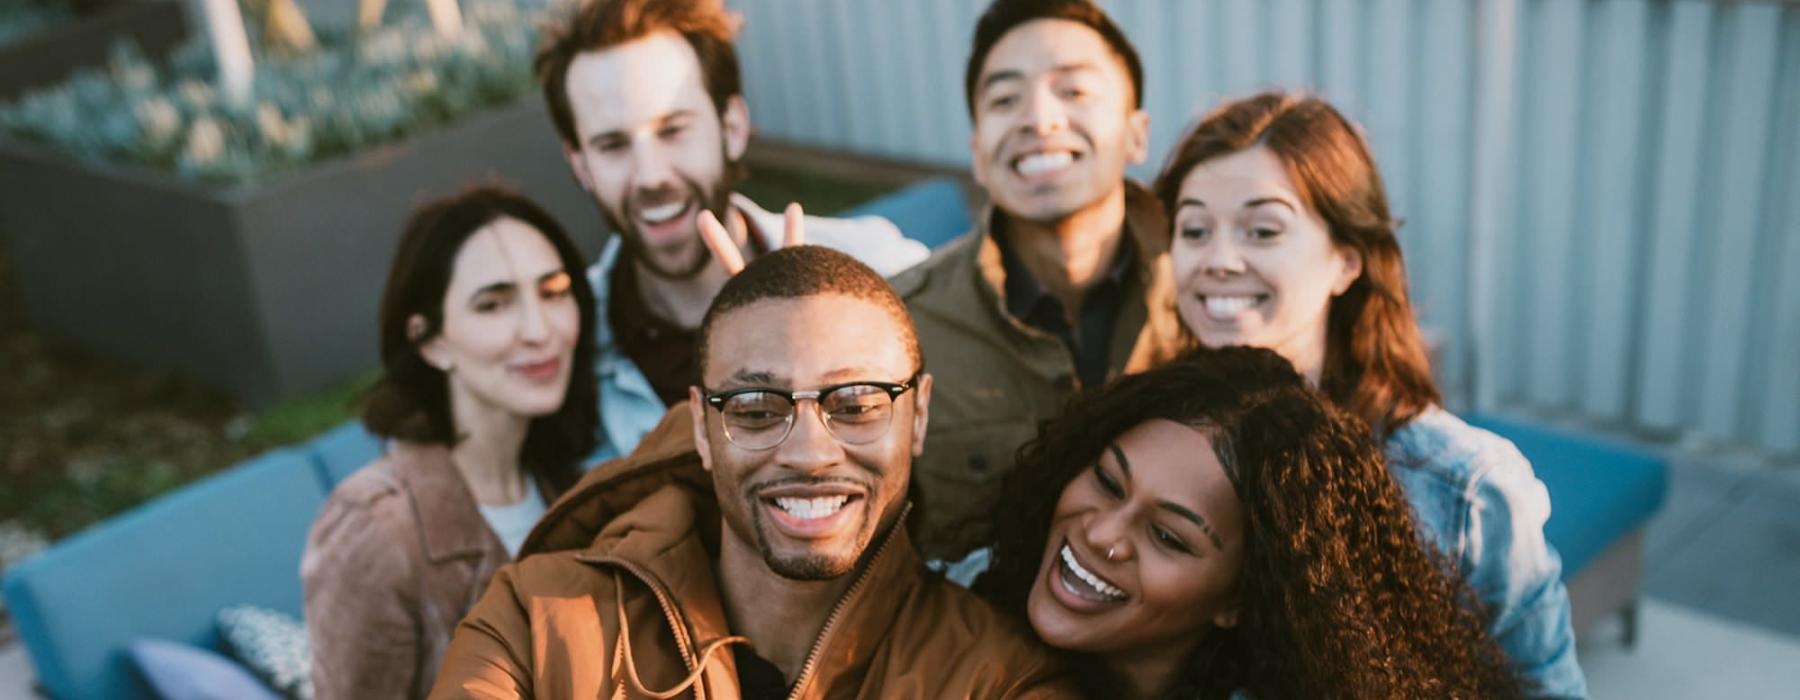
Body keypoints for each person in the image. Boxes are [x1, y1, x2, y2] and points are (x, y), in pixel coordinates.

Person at [429, 246, 1074, 699]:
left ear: (920, 416)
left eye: (854, 405)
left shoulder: (1000, 682)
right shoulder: (537, 617)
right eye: (757, 409)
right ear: (702, 431)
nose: (809, 453)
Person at [1153, 91, 1585, 696]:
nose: (1220, 259)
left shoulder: (1465, 489)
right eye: (1195, 229)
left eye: (1263, 229)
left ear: (1346, 261)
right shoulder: (1139, 443)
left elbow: (1545, 689)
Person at [980, 346, 1526, 699]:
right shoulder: (960, 606)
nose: (1101, 534)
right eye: (1106, 481)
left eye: (1169, 537)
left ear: (1237, 600)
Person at [535, 0, 929, 463]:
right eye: (612, 145)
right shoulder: (563, 352)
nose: (649, 176)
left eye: (673, 130)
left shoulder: (883, 271)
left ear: (733, 126)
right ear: (580, 164)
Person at [891, 0, 1187, 564]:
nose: (1039, 120)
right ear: (978, 153)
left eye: (1073, 91)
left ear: (1136, 134)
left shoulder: (1207, 290)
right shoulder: (899, 327)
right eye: (1005, 100)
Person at [301, 187, 599, 699]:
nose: (539, 329)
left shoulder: (575, 488)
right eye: (493, 304)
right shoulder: (376, 531)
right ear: (429, 340)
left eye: (553, 292)